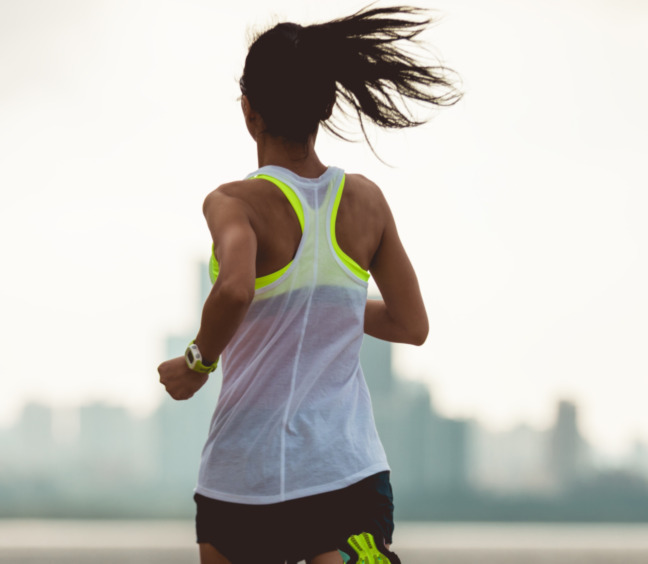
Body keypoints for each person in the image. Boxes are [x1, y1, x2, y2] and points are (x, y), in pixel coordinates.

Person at [157, 6, 460, 564]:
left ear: (249, 112)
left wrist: (197, 363)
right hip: (344, 472)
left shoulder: (233, 204)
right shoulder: (366, 202)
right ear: (325, 108)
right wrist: (333, 300)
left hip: (240, 479)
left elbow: (235, 290)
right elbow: (410, 324)